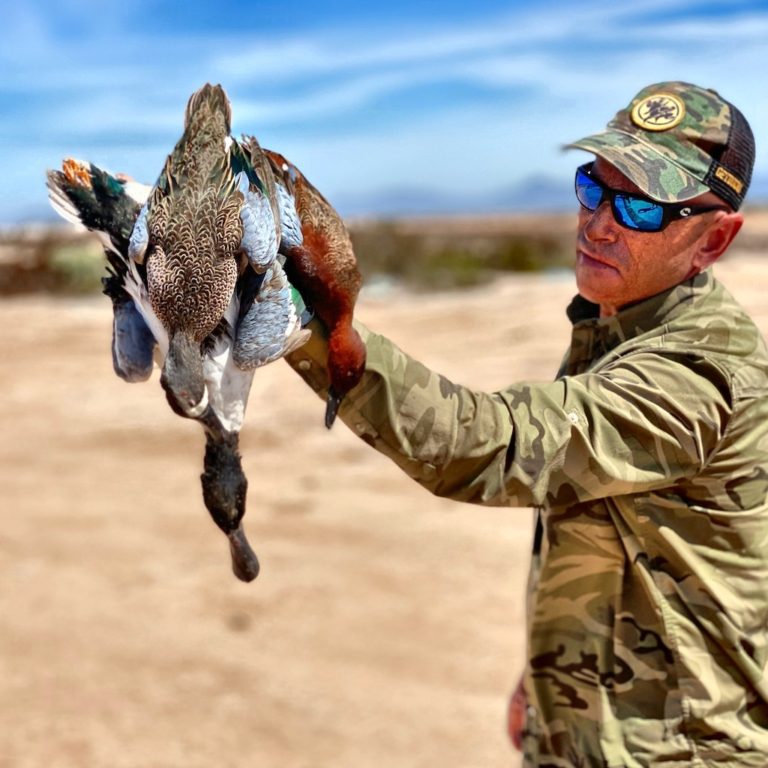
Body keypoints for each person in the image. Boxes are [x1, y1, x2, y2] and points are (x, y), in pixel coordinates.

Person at [285, 81, 768, 767]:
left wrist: (311, 329)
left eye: (640, 206)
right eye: (593, 188)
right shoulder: (619, 327)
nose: (598, 222)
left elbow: (483, 444)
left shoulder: (694, 374)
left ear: (714, 239)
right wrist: (549, 683)